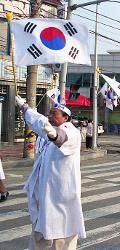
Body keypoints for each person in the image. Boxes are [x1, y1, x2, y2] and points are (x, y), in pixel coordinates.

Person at [15, 96, 86, 249]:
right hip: (45, 191)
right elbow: (38, 121)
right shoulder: (48, 131)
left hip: (62, 194)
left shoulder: (71, 132)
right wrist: (25, 108)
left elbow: (63, 138)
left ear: (66, 117)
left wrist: (55, 135)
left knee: (64, 231)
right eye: (50, 113)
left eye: (55, 114)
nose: (50, 116)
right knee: (40, 227)